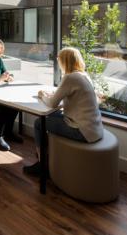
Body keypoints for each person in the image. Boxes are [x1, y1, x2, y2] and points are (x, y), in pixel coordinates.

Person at [23, 47, 103, 176]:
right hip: (94, 128)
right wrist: (53, 95)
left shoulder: (70, 78)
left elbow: (52, 103)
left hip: (82, 131)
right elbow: (68, 98)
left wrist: (42, 95)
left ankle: (42, 164)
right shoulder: (83, 75)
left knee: (39, 123)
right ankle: (46, 154)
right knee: (52, 115)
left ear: (64, 61)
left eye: (59, 59)